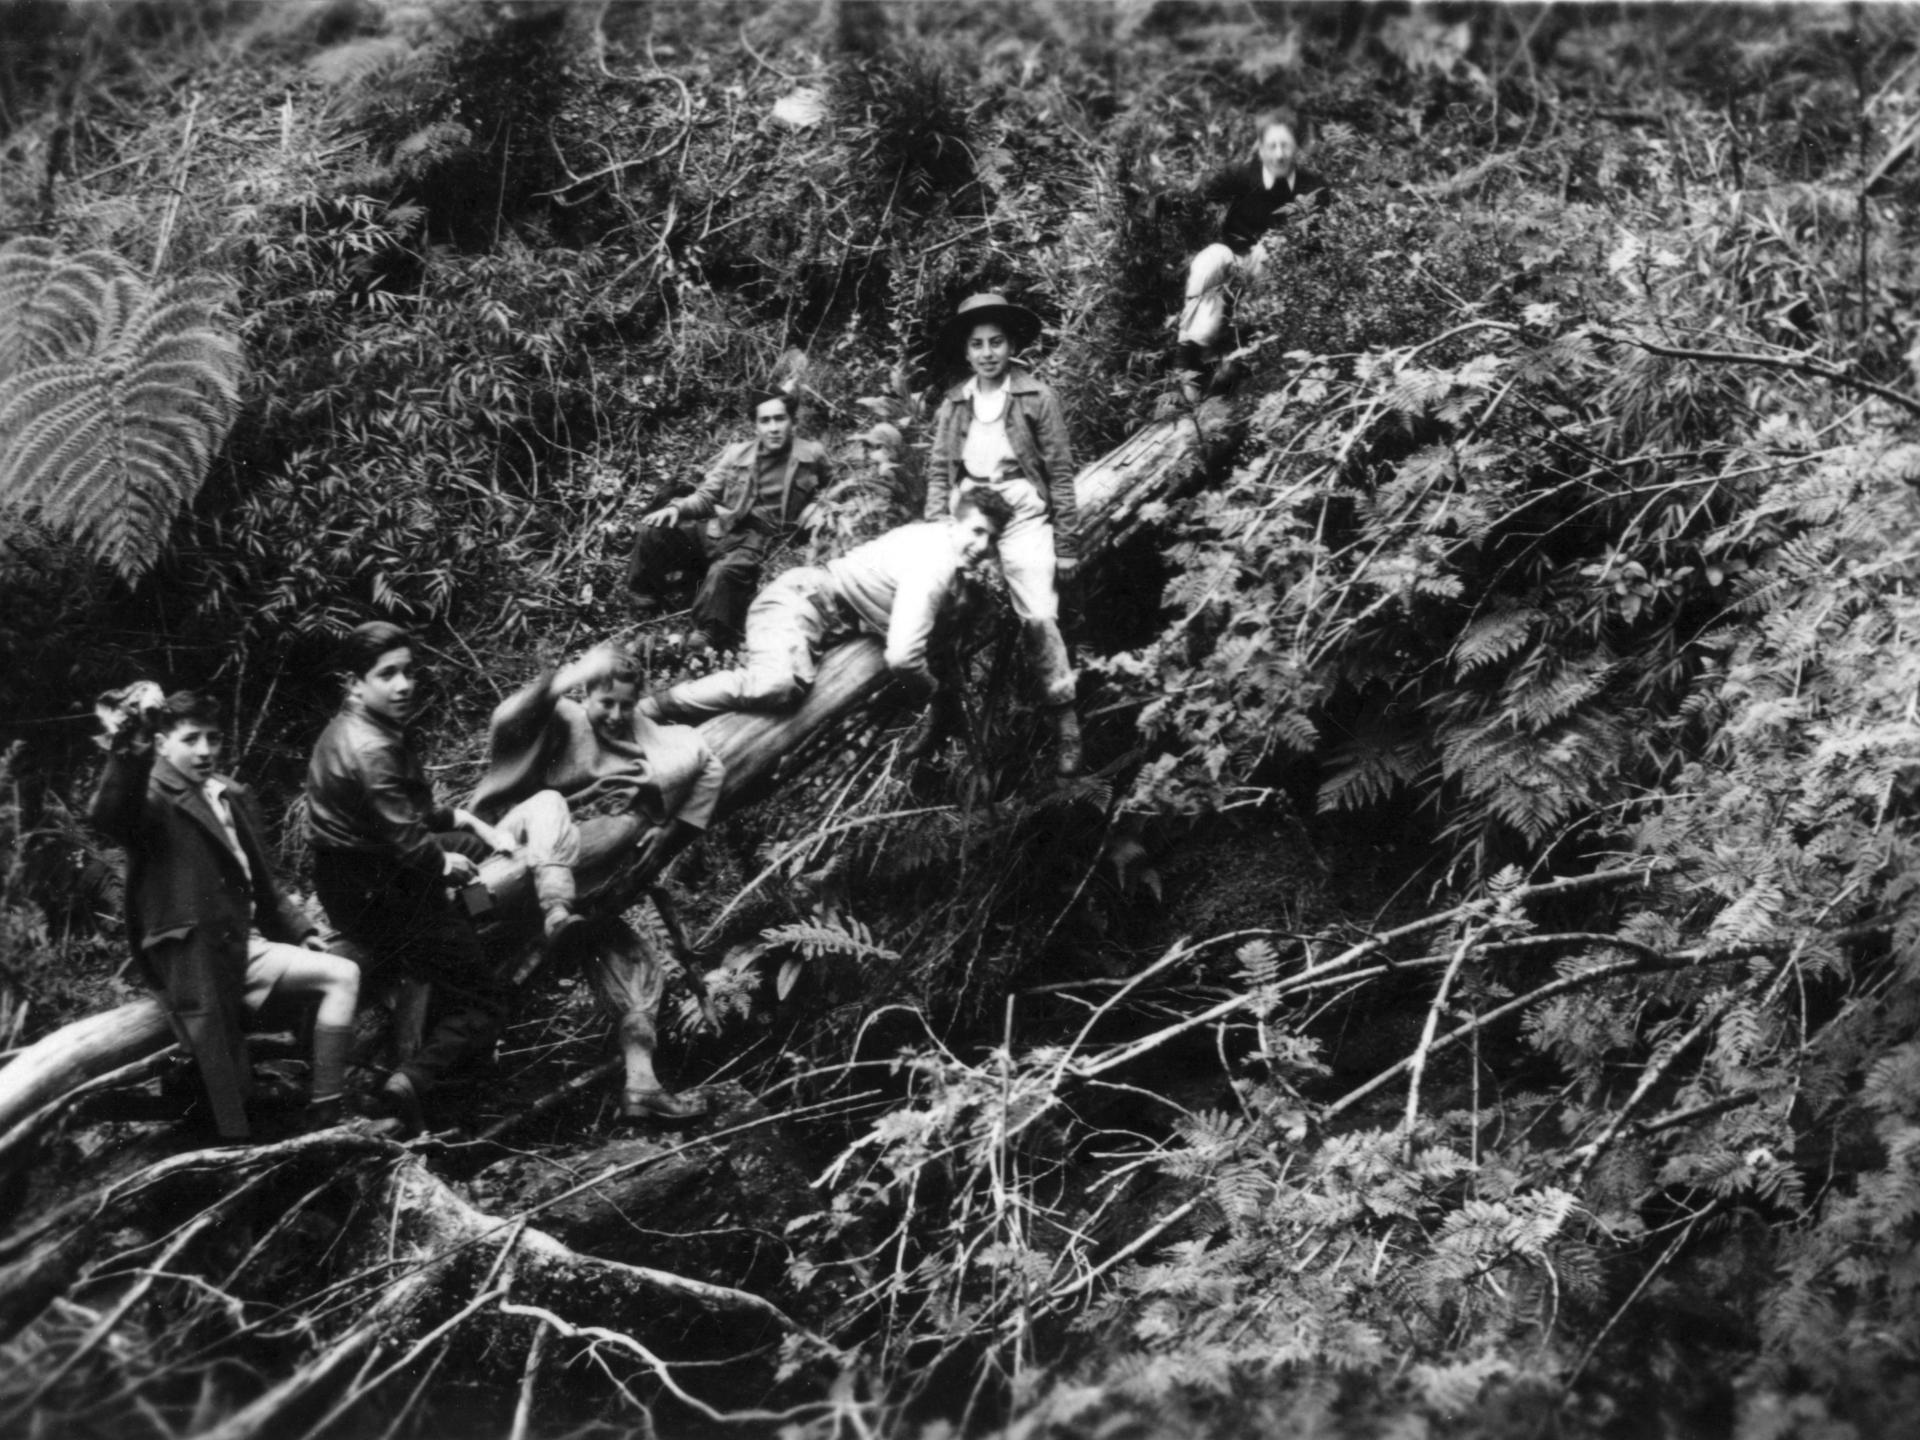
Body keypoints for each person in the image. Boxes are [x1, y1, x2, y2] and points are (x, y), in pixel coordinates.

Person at [89, 685, 362, 1138]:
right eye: (190, 739)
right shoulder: (153, 795)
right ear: (161, 744)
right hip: (193, 952)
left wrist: (299, 929)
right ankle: (242, 1153)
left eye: (212, 739)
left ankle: (327, 1113)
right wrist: (129, 750)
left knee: (341, 976)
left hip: (244, 944)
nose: (204, 750)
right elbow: (110, 814)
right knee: (226, 1088)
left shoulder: (228, 794)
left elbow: (260, 878)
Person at [465, 643, 724, 1121]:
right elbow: (510, 718)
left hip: (580, 889)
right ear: (587, 693)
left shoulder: (649, 739)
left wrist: (669, 832)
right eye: (606, 702)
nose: (615, 714)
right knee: (547, 807)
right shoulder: (564, 717)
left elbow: (709, 761)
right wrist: (571, 674)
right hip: (496, 870)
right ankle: (555, 909)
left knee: (639, 969)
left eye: (626, 704)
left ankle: (642, 1086)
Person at [305, 622, 514, 1135]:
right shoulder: (370, 747)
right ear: (355, 683)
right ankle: (414, 1080)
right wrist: (445, 866)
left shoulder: (358, 728)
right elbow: (409, 840)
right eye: (387, 675)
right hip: (380, 891)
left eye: (408, 672)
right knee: (486, 1002)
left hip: (362, 872)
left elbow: (406, 812)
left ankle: (482, 920)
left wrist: (462, 821)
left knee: (470, 851)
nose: (403, 685)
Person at [645, 490, 1013, 725]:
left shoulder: (936, 542)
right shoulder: (936, 563)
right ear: (954, 522)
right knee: (778, 684)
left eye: (992, 539)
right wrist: (931, 692)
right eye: (977, 531)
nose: (983, 546)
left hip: (823, 610)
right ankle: (658, 707)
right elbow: (903, 656)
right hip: (803, 600)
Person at [924, 292, 1084, 775]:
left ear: (1011, 345)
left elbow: (1058, 472)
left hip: (1019, 509)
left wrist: (1068, 546)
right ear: (966, 351)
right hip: (970, 505)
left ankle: (1066, 720)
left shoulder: (1036, 397)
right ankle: (942, 708)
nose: (988, 352)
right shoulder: (955, 402)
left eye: (997, 342)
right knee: (936, 596)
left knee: (1037, 610)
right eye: (977, 344)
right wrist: (936, 525)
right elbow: (938, 471)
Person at [626, 387, 836, 651]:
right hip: (721, 529)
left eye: (780, 418)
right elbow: (707, 495)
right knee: (652, 529)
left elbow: (834, 488)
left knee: (724, 572)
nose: (773, 428)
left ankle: (705, 635)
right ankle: (643, 605)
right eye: (765, 420)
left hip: (758, 539)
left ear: (792, 421)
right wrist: (677, 509)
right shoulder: (737, 454)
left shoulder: (812, 454)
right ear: (755, 425)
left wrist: (817, 507)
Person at [1170, 105, 1331, 400]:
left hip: (1280, 275)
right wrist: (1166, 201)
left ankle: (1241, 359)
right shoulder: (1243, 175)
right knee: (1210, 260)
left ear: (1297, 146)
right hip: (1234, 259)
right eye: (1272, 145)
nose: (1280, 154)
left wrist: (1284, 247)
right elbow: (1198, 195)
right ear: (1260, 146)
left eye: (1286, 145)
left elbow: (1318, 242)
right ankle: (1190, 358)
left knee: (1269, 250)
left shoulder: (1314, 187)